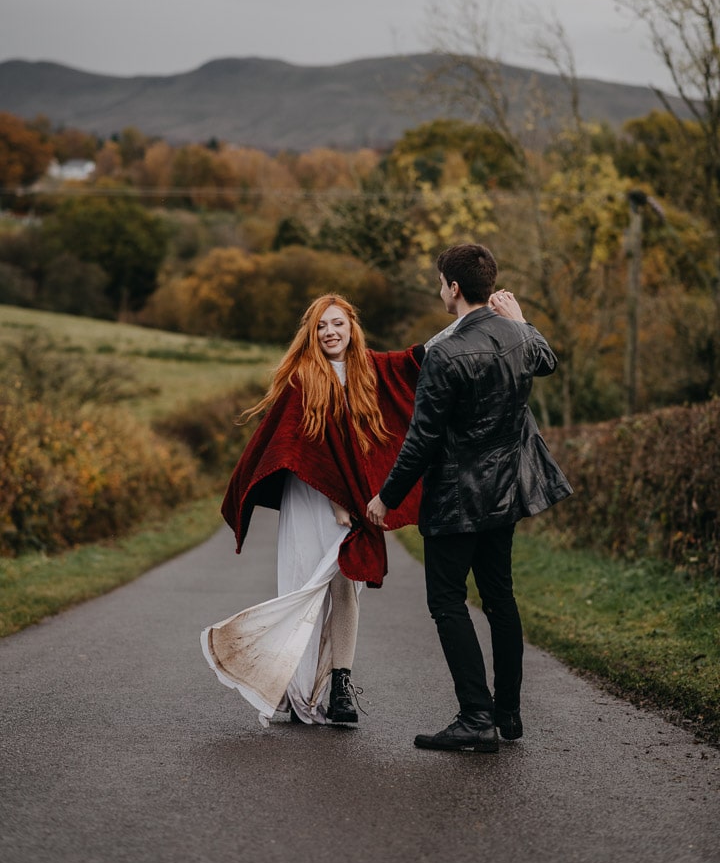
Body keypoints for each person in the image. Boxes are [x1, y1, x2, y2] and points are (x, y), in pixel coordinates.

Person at [201, 293, 448, 728]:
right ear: (311, 334)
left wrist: (478, 317)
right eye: (320, 326)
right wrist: (338, 502)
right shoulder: (303, 378)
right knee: (306, 583)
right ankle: (290, 686)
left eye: (337, 323)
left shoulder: (372, 370)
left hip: (354, 497)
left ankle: (339, 688)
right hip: (315, 498)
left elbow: (421, 357)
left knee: (346, 585)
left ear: (352, 326)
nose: (330, 332)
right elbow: (306, 448)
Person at [366, 243, 572, 752]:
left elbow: (423, 438)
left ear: (454, 288)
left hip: (457, 500)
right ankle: (508, 716)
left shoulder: (445, 352)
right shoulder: (518, 337)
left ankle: (476, 717)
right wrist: (522, 321)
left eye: (441, 282)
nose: (440, 290)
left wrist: (385, 497)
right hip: (504, 495)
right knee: (500, 598)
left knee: (446, 600)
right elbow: (546, 360)